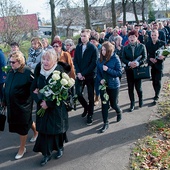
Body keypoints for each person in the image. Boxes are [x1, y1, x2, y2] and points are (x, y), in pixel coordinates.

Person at [31, 49, 69, 166]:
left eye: (48, 60)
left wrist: (49, 104)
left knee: (56, 130)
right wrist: (39, 100)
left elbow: (63, 94)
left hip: (56, 109)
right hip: (42, 106)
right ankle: (46, 154)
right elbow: (33, 89)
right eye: (43, 59)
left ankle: (59, 148)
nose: (45, 62)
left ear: (54, 61)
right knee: (44, 131)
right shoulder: (39, 70)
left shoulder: (60, 72)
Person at [3, 51, 34, 159]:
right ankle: (36, 132)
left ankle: (22, 148)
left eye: (13, 62)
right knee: (27, 122)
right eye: (10, 62)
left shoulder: (27, 72)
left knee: (22, 127)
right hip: (12, 105)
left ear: (20, 61)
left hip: (23, 105)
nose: (10, 64)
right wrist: (4, 100)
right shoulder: (11, 71)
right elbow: (6, 86)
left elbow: (34, 88)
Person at [74, 29, 98, 125]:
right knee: (78, 94)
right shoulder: (78, 47)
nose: (82, 37)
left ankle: (90, 114)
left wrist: (83, 73)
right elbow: (75, 61)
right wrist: (79, 73)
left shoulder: (93, 48)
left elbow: (93, 64)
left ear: (88, 36)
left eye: (84, 36)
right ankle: (86, 108)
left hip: (89, 75)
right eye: (81, 35)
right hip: (80, 75)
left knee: (90, 96)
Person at [97, 41, 122, 133]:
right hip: (103, 85)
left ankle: (118, 111)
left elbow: (119, 73)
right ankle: (105, 123)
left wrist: (108, 70)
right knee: (104, 104)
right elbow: (98, 73)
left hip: (113, 85)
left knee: (113, 104)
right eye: (102, 50)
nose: (102, 52)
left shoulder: (115, 58)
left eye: (104, 50)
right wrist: (100, 80)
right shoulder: (100, 59)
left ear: (109, 50)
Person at [122, 30, 147, 112]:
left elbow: (144, 57)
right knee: (130, 88)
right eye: (130, 37)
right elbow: (123, 58)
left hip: (138, 70)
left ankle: (140, 99)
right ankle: (132, 103)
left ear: (137, 37)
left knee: (138, 88)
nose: (132, 38)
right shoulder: (125, 48)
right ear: (128, 38)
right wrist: (129, 63)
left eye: (133, 37)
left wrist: (138, 63)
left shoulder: (141, 46)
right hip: (129, 70)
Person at [145, 29, 166, 104]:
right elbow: (145, 55)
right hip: (152, 64)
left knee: (158, 80)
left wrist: (163, 57)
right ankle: (155, 92)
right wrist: (150, 59)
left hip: (159, 64)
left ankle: (157, 95)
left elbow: (165, 53)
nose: (153, 37)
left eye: (155, 35)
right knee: (154, 80)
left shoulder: (162, 43)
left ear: (158, 35)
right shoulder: (147, 44)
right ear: (150, 36)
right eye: (152, 35)